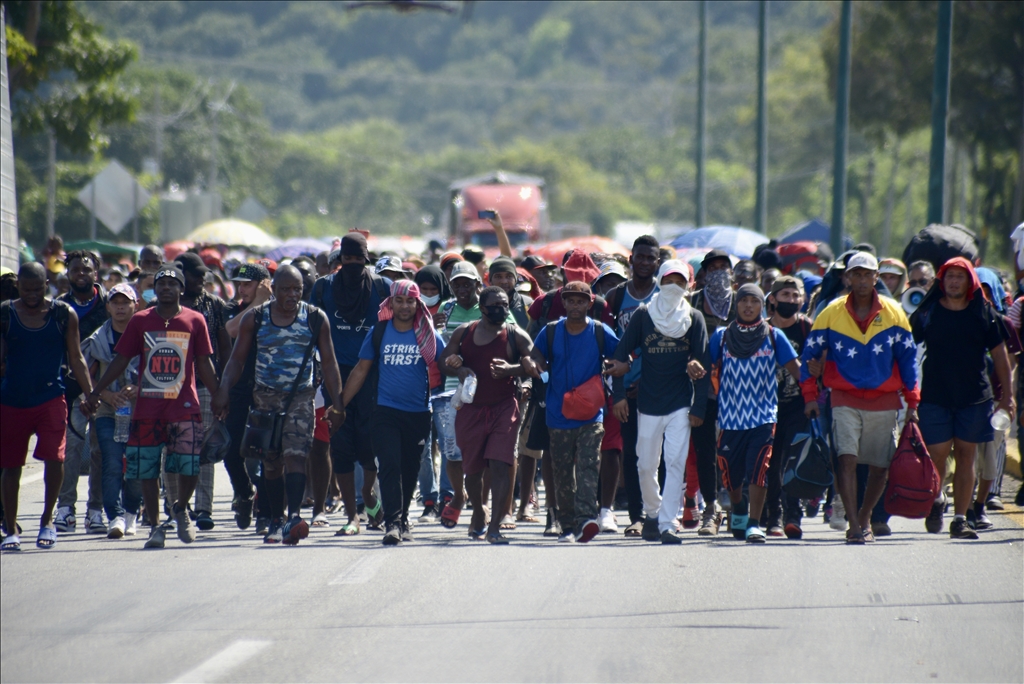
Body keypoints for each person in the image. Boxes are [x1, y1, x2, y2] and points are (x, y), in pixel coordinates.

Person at [85, 264, 220, 550]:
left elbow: (204, 362)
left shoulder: (195, 320)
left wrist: (220, 394)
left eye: (173, 283)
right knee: (145, 469)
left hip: (183, 406)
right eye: (162, 283)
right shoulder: (141, 321)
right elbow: (121, 358)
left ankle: (180, 508)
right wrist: (96, 391)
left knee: (188, 464)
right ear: (154, 290)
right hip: (147, 408)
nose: (167, 288)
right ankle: (157, 526)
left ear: (182, 289)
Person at [213, 266, 343, 545]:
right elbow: (237, 360)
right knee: (271, 464)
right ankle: (275, 518)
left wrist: (338, 404)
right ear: (274, 289)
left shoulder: (315, 318)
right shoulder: (256, 318)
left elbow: (330, 364)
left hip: (301, 397)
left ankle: (294, 517)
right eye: (286, 289)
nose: (292, 295)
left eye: (296, 289)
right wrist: (223, 390)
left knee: (297, 455)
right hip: (265, 398)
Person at [801, 252, 920, 544]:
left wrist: (913, 401)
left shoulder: (894, 312)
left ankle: (865, 516)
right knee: (847, 460)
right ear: (847, 278)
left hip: (885, 400)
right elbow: (808, 356)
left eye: (868, 274)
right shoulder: (830, 311)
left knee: (880, 466)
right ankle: (853, 524)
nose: (863, 280)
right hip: (843, 398)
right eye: (857, 274)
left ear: (876, 278)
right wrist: (810, 397)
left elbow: (909, 360)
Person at [910, 258, 1014, 539]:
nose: (954, 281)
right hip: (935, 395)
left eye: (960, 276)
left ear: (970, 281)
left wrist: (1008, 398)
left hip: (974, 397)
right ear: (941, 282)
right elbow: (907, 350)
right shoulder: (927, 312)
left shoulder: (984, 313)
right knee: (937, 455)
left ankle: (960, 519)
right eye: (949, 276)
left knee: (967, 456)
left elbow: (1001, 358)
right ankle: (937, 499)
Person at [608, 260, 709, 544]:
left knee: (675, 461)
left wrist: (698, 405)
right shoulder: (643, 315)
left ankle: (668, 524)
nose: (673, 288)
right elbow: (619, 358)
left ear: (688, 286)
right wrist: (618, 397)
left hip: (680, 403)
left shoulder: (694, 318)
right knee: (645, 465)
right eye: (669, 281)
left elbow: (703, 363)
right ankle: (652, 512)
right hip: (648, 403)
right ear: (660, 282)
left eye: (680, 282)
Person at [340, 280, 444, 545]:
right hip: (384, 410)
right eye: (400, 300)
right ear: (390, 303)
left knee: (410, 469)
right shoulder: (379, 331)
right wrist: (339, 404)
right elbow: (361, 370)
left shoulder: (428, 334)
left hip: (419, 413)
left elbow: (445, 363)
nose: (405, 306)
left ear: (417, 304)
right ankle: (393, 523)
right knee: (389, 465)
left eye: (411, 301)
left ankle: (404, 517)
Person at [1, 263, 94, 552]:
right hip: (12, 400)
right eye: (26, 289)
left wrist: (91, 393)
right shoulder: (5, 313)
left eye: (37, 288)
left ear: (47, 285)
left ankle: (47, 521)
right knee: (10, 466)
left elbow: (76, 357)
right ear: (19, 287)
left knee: (56, 458)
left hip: (51, 398)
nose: (31, 294)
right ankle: (11, 528)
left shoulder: (62, 314)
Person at [698, 284, 800, 543]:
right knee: (730, 475)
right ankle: (739, 508)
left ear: (763, 305)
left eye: (754, 301)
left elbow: (798, 371)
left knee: (759, 469)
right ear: (736, 304)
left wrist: (812, 395)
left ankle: (754, 522)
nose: (748, 306)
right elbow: (705, 368)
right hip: (730, 417)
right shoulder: (721, 336)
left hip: (763, 415)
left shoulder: (774, 336)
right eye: (743, 300)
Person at [439, 286, 535, 543]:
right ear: (482, 308)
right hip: (471, 409)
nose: (501, 310)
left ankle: (495, 526)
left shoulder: (516, 335)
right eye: (495, 305)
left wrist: (513, 369)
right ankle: (479, 512)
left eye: (505, 305)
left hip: (505, 406)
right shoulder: (465, 332)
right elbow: (444, 360)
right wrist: (457, 368)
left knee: (500, 463)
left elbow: (538, 366)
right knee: (473, 469)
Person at [309, 232, 390, 537]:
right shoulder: (323, 287)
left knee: (369, 445)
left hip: (372, 376)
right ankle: (352, 515)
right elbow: (311, 329)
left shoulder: (382, 286)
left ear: (366, 258)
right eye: (348, 258)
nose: (354, 264)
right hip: (334, 375)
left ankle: (369, 495)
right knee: (340, 446)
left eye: (359, 259)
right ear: (340, 258)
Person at [530, 281, 620, 543]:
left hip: (592, 415)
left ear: (589, 304)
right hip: (558, 415)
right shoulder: (550, 331)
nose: (576, 305)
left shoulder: (600, 331)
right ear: (564, 303)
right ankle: (568, 525)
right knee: (561, 473)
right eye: (571, 300)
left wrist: (620, 368)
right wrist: (534, 364)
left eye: (581, 301)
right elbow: (534, 356)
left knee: (588, 468)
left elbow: (623, 354)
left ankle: (586, 519)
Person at [601, 235, 661, 536]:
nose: (645, 262)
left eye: (651, 258)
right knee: (633, 453)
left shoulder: (666, 295)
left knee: (659, 454)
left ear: (658, 263)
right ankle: (637, 516)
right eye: (640, 256)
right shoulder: (616, 296)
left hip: (661, 388)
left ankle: (660, 514)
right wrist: (619, 384)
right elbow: (610, 345)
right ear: (631, 259)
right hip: (625, 388)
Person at [174, 252, 232, 531]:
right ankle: (176, 506)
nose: (201, 279)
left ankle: (203, 508)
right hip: (171, 386)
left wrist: (224, 388)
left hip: (206, 384)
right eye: (195, 274)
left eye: (202, 275)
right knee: (173, 446)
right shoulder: (163, 306)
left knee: (205, 446)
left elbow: (224, 347)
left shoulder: (214, 305)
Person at [82, 283, 143, 538]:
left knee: (139, 465)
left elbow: (160, 370)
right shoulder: (96, 340)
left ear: (135, 306)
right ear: (108, 306)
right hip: (107, 411)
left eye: (125, 302)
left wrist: (139, 387)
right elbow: (85, 374)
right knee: (111, 463)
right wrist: (104, 394)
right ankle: (115, 516)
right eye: (115, 302)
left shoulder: (146, 335)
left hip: (140, 411)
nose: (120, 307)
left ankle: (131, 513)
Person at [54, 250, 109, 535]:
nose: (81, 274)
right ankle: (65, 509)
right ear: (68, 273)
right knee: (71, 451)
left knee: (101, 452)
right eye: (75, 269)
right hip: (71, 391)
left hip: (106, 393)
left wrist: (97, 390)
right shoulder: (58, 307)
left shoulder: (111, 304)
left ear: (95, 273)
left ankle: (96, 511)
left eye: (87, 270)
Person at [687, 249, 736, 536]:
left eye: (723, 267)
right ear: (703, 273)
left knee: (733, 449)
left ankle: (738, 506)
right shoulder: (692, 303)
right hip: (701, 392)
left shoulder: (744, 302)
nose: (718, 273)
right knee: (705, 451)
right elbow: (681, 341)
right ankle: (710, 507)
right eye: (712, 268)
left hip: (738, 392)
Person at [222, 263, 272, 532]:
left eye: (247, 284)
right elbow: (232, 330)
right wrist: (258, 303)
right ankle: (244, 493)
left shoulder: (276, 310)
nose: (241, 289)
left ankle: (265, 511)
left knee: (266, 454)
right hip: (239, 390)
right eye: (239, 284)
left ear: (263, 285)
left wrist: (266, 302)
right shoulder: (234, 309)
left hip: (267, 390)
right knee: (231, 452)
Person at [762, 276, 813, 538]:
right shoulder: (762, 329)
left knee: (794, 460)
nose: (791, 301)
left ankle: (794, 515)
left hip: (798, 405)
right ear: (772, 299)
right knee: (771, 462)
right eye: (785, 296)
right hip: (765, 406)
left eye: (796, 296)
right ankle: (773, 516)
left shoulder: (808, 329)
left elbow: (816, 368)